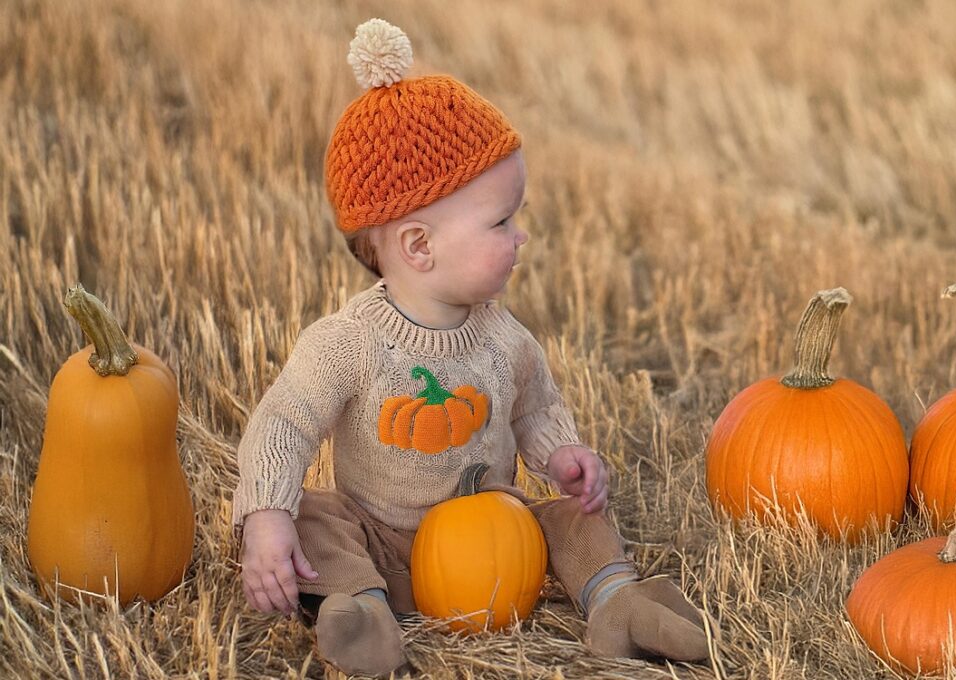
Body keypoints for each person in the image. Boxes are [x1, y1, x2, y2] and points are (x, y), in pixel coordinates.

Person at [232, 18, 710, 677]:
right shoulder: (350, 343)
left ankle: (617, 601)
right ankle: (363, 610)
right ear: (419, 246)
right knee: (313, 517)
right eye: (502, 221)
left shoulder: (503, 337)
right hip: (382, 544)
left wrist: (562, 455)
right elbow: (283, 423)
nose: (521, 236)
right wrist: (266, 515)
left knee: (577, 516)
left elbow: (536, 406)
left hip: (496, 540)